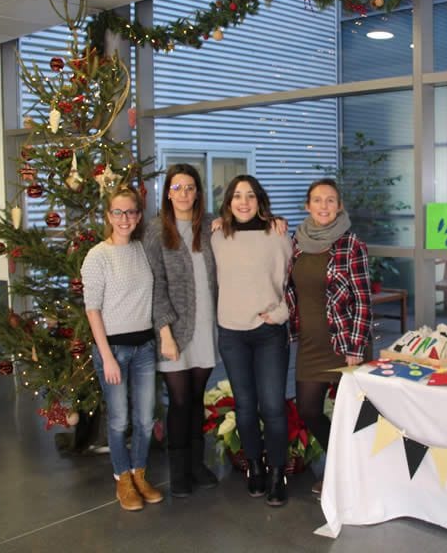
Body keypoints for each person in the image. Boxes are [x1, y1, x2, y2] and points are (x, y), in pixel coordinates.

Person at [284, 178, 372, 497]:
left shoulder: (351, 246)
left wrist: (356, 347)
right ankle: (343, 464)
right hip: (309, 344)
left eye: (330, 200)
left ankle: (346, 474)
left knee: (355, 412)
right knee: (308, 410)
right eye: (317, 200)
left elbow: (363, 299)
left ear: (339, 206)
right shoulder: (296, 243)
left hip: (343, 344)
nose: (324, 206)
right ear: (307, 206)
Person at [211, 175, 293, 507]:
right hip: (231, 333)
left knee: (273, 406)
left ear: (259, 201)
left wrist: (282, 312)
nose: (243, 202)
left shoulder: (277, 235)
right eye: (237, 196)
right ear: (229, 202)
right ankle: (254, 467)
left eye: (250, 196)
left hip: (269, 332)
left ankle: (277, 472)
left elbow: (295, 279)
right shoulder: (218, 236)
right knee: (245, 407)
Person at [81, 186, 163, 512]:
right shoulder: (97, 256)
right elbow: (92, 309)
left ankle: (140, 473)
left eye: (130, 212)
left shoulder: (144, 250)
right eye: (118, 212)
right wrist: (106, 356)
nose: (124, 218)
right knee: (119, 421)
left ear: (139, 216)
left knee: (144, 419)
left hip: (144, 347)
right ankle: (123, 479)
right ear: (108, 216)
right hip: (112, 349)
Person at [143, 164, 220, 498]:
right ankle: (178, 472)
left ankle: (196, 464)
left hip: (206, 327)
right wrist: (164, 333)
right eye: (178, 188)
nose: (184, 194)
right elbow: (154, 285)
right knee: (179, 400)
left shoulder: (212, 228)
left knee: (197, 398)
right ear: (167, 193)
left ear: (198, 193)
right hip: (173, 330)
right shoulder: (156, 230)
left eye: (190, 188)